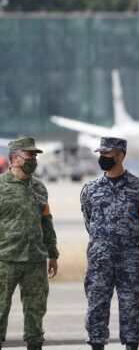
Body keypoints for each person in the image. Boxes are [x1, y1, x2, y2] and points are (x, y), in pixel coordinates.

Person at [81, 137, 139, 350]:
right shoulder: (90, 189)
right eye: (101, 154)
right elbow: (88, 221)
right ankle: (97, 345)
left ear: (120, 156)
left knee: (131, 305)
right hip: (100, 259)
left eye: (106, 154)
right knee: (97, 305)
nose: (102, 158)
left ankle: (131, 345)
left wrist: (125, 241)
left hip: (130, 258)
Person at [0, 138, 59, 350]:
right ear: (15, 158)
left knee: (36, 311)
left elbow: (46, 221)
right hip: (5, 259)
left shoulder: (39, 187)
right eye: (30, 155)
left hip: (35, 259)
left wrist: (53, 253)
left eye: (35, 156)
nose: (34, 160)